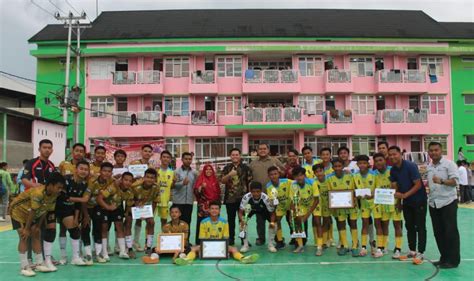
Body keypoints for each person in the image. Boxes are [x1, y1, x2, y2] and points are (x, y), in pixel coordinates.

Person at [10, 172, 65, 276]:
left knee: (37, 233)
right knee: (24, 236)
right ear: (50, 185)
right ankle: (24, 266)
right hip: (17, 212)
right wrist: (27, 229)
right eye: (58, 187)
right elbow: (33, 211)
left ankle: (39, 263)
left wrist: (38, 226)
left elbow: (45, 210)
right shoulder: (38, 193)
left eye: (61, 188)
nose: (60, 190)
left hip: (31, 213)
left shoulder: (54, 195)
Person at [174, 201, 259, 266]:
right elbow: (202, 239)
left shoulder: (224, 222)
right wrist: (210, 244)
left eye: (216, 209)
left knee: (234, 249)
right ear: (209, 210)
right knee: (193, 249)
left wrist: (219, 245)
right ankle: (187, 259)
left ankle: (243, 258)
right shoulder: (203, 222)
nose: (214, 210)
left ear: (219, 211)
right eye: (212, 208)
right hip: (207, 245)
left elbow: (226, 238)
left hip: (220, 245)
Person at [389, 146, 427, 265]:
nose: (392, 156)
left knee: (420, 226)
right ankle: (412, 251)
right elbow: (395, 188)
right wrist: (399, 202)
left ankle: (421, 252)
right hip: (406, 202)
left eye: (394, 154)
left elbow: (418, 185)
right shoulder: (393, 170)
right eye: (390, 155)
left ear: (400, 154)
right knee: (409, 226)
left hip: (419, 200)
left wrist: (405, 195)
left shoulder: (410, 166)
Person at [426, 142, 460, 269]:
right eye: (431, 150)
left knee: (450, 232)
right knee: (438, 232)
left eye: (436, 150)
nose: (433, 153)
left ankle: (453, 260)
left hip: (448, 202)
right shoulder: (429, 166)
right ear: (428, 152)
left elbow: (455, 181)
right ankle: (444, 258)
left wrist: (441, 181)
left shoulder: (449, 164)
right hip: (433, 203)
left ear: (441, 151)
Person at [54, 160, 90, 266]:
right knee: (65, 230)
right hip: (60, 208)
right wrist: (75, 199)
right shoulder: (66, 180)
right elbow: (62, 196)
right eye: (81, 169)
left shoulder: (84, 184)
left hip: (72, 209)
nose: (83, 171)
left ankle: (75, 257)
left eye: (86, 169)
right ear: (76, 169)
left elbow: (79, 202)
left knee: (75, 229)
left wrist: (76, 217)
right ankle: (65, 256)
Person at [249, 143, 285, 245]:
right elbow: (249, 178)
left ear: (268, 150)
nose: (262, 150)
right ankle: (261, 238)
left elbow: (283, 173)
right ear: (257, 151)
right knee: (259, 219)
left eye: (264, 148)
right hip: (258, 196)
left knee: (274, 218)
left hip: (273, 196)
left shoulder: (275, 161)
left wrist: (279, 170)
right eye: (260, 149)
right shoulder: (253, 163)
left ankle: (278, 238)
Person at [97, 171, 135, 260]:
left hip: (117, 208)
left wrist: (126, 214)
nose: (128, 182)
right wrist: (108, 207)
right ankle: (104, 252)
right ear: (121, 180)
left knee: (120, 226)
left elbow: (129, 205)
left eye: (130, 181)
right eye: (126, 180)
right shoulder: (113, 187)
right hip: (105, 208)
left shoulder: (129, 192)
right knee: (105, 228)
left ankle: (122, 251)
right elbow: (99, 198)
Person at [372, 153, 403, 259]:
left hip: (394, 203)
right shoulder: (374, 174)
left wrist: (399, 202)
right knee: (383, 225)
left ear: (385, 160)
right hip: (382, 203)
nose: (378, 163)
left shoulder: (393, 170)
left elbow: (399, 186)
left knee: (397, 225)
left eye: (380, 160)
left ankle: (398, 248)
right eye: (376, 161)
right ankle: (382, 247)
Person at [82, 162, 114, 262]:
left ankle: (98, 253)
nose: (106, 173)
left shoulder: (111, 182)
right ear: (100, 171)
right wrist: (86, 215)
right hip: (86, 207)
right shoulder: (92, 181)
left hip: (98, 207)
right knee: (86, 228)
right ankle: (88, 254)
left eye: (109, 171)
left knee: (98, 228)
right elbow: (84, 199)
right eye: (104, 171)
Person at [327, 158, 359, 257]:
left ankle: (354, 246)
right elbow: (330, 193)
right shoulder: (330, 179)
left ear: (343, 166)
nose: (337, 168)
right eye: (335, 166)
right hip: (339, 206)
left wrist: (354, 198)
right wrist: (332, 204)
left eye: (339, 166)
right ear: (332, 168)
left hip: (351, 205)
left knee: (353, 224)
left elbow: (355, 190)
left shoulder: (350, 177)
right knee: (341, 224)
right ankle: (344, 245)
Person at [220, 148, 252, 246]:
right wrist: (229, 175)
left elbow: (250, 182)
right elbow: (222, 181)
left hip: (243, 199)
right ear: (230, 156)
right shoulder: (227, 168)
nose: (235, 156)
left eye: (237, 154)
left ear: (240, 156)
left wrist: (249, 197)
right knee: (231, 219)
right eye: (233, 154)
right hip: (230, 199)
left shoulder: (246, 168)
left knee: (243, 220)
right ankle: (231, 239)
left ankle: (243, 239)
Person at [289, 166, 320, 254]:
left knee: (317, 221)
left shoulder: (312, 182)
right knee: (298, 221)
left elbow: (317, 199)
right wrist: (292, 214)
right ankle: (300, 245)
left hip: (314, 203)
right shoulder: (293, 185)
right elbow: (292, 201)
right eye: (296, 176)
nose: (299, 178)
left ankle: (319, 246)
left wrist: (308, 214)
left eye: (301, 175)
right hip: (302, 205)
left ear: (304, 175)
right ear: (294, 177)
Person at [239, 181, 276, 253]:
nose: (256, 194)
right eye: (253, 192)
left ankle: (271, 245)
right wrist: (243, 221)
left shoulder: (266, 198)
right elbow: (240, 212)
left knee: (275, 224)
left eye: (258, 191)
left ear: (261, 191)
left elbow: (272, 213)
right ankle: (245, 245)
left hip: (263, 210)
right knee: (241, 225)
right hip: (250, 210)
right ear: (250, 191)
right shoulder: (246, 197)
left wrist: (272, 223)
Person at [352, 155, 376, 257]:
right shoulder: (355, 176)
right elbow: (353, 190)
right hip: (363, 203)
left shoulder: (374, 175)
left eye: (364, 163)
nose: (362, 165)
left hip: (375, 202)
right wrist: (355, 196)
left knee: (378, 223)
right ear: (357, 165)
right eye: (360, 163)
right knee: (365, 223)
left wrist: (372, 195)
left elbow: (377, 188)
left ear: (368, 164)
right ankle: (364, 246)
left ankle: (374, 243)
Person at [133, 168, 160, 255]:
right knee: (131, 221)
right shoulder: (135, 186)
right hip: (134, 205)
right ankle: (134, 243)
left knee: (151, 222)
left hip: (147, 207)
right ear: (144, 177)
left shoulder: (156, 187)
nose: (149, 179)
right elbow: (130, 199)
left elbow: (155, 202)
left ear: (155, 179)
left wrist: (149, 214)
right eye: (147, 177)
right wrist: (137, 206)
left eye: (152, 178)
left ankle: (148, 246)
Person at [172, 152, 197, 242]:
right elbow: (172, 186)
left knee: (187, 223)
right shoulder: (176, 171)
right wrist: (182, 183)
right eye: (186, 159)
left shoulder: (194, 173)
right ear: (182, 160)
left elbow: (195, 186)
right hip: (178, 201)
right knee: (176, 222)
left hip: (189, 202)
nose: (188, 160)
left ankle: (186, 242)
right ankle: (176, 242)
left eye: (189, 159)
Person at [266, 166, 293, 250]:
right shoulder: (269, 186)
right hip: (280, 206)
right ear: (268, 176)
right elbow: (272, 200)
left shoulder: (287, 181)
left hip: (290, 204)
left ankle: (296, 238)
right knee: (277, 221)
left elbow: (297, 183)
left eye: (275, 174)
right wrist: (273, 202)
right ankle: (280, 241)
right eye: (271, 174)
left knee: (292, 221)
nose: (274, 176)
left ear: (279, 174)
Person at [194, 164, 221, 245]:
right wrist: (201, 187)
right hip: (203, 206)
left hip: (214, 206)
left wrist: (218, 206)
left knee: (214, 223)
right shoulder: (200, 179)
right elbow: (196, 192)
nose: (208, 171)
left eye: (210, 169)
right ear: (204, 171)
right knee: (202, 223)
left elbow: (218, 193)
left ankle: (213, 241)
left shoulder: (215, 180)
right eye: (206, 169)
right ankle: (200, 242)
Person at [312, 164, 330, 256]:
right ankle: (318, 245)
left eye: (320, 171)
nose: (319, 173)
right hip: (317, 204)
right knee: (318, 222)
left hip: (327, 204)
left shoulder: (329, 180)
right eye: (317, 172)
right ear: (314, 174)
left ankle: (324, 241)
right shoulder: (314, 183)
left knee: (326, 222)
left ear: (324, 171)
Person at [156, 150, 175, 228]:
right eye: (164, 157)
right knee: (150, 221)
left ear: (170, 159)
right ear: (160, 158)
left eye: (168, 157)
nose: (165, 159)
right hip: (154, 199)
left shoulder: (172, 173)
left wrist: (174, 183)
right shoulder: (155, 170)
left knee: (164, 221)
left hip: (165, 200)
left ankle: (163, 238)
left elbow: (172, 187)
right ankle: (148, 240)